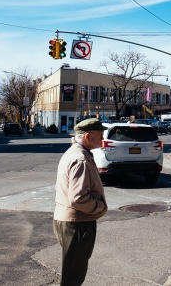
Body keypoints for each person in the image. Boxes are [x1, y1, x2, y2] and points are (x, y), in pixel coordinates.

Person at [53, 118, 108, 286]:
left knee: (73, 271)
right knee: (73, 276)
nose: (102, 139)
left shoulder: (75, 152)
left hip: (72, 221)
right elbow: (78, 198)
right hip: (78, 224)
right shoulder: (81, 159)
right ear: (87, 136)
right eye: (99, 135)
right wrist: (100, 207)